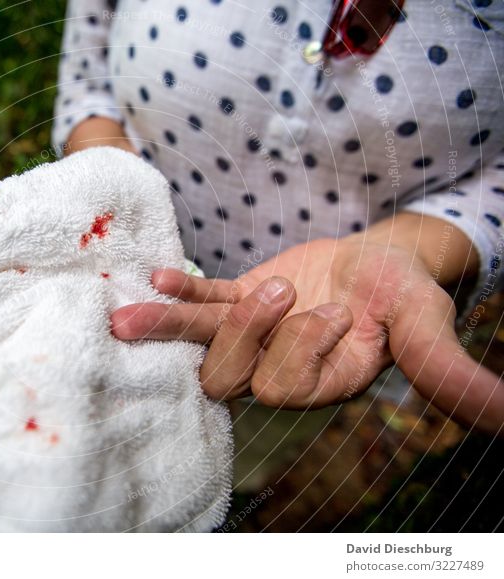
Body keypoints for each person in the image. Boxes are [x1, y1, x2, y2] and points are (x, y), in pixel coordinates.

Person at [51, 0, 504, 433]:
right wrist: (115, 203)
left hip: (303, 340)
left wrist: (412, 248)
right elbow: (86, 70)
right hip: (116, 280)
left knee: (229, 449)